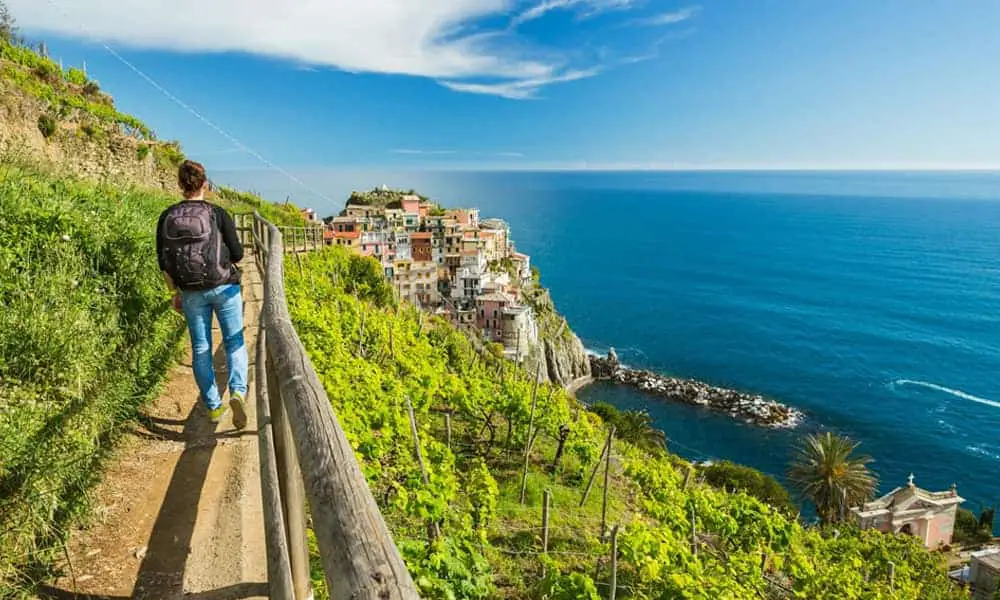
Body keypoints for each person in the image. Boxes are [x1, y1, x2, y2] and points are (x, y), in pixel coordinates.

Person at [156, 160, 248, 428]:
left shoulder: (167, 217)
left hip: (191, 292)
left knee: (200, 348)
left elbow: (164, 262)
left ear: (180, 186)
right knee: (234, 341)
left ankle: (213, 406)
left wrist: (175, 293)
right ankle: (239, 391)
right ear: (205, 184)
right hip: (224, 286)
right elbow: (239, 254)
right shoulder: (217, 213)